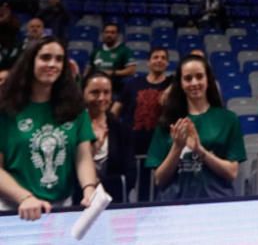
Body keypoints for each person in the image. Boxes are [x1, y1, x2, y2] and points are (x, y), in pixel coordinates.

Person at [0, 37, 99, 220]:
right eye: (45, 57)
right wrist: (25, 197)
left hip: (61, 208)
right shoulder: (5, 109)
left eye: (59, 59)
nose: (52, 64)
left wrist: (89, 188)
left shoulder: (75, 108)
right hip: (15, 208)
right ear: (30, 62)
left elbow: (83, 157)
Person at [146, 54, 246, 199]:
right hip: (175, 205)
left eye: (199, 76)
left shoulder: (228, 119)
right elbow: (159, 179)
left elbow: (232, 173)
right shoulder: (168, 121)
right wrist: (177, 147)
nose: (194, 83)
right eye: (188, 78)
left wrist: (200, 151)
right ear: (180, 83)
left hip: (216, 202)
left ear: (208, 80)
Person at [113, 46, 171, 201]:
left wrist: (171, 87)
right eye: (155, 57)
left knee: (157, 192)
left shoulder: (172, 84)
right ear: (148, 62)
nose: (159, 60)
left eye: (163, 58)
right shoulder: (133, 83)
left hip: (159, 148)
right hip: (133, 146)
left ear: (168, 63)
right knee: (135, 190)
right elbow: (116, 109)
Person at [80, 71, 133, 204]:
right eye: (95, 92)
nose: (101, 98)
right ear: (83, 93)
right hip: (78, 197)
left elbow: (130, 172)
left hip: (113, 199)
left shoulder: (120, 128)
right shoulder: (73, 126)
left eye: (106, 92)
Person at [89, 22, 136, 98]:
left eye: (112, 32)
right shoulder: (97, 51)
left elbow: (132, 70)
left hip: (116, 88)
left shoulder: (124, 50)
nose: (109, 35)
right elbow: (89, 68)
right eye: (107, 32)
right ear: (103, 34)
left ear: (117, 35)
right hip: (97, 86)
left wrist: (113, 73)